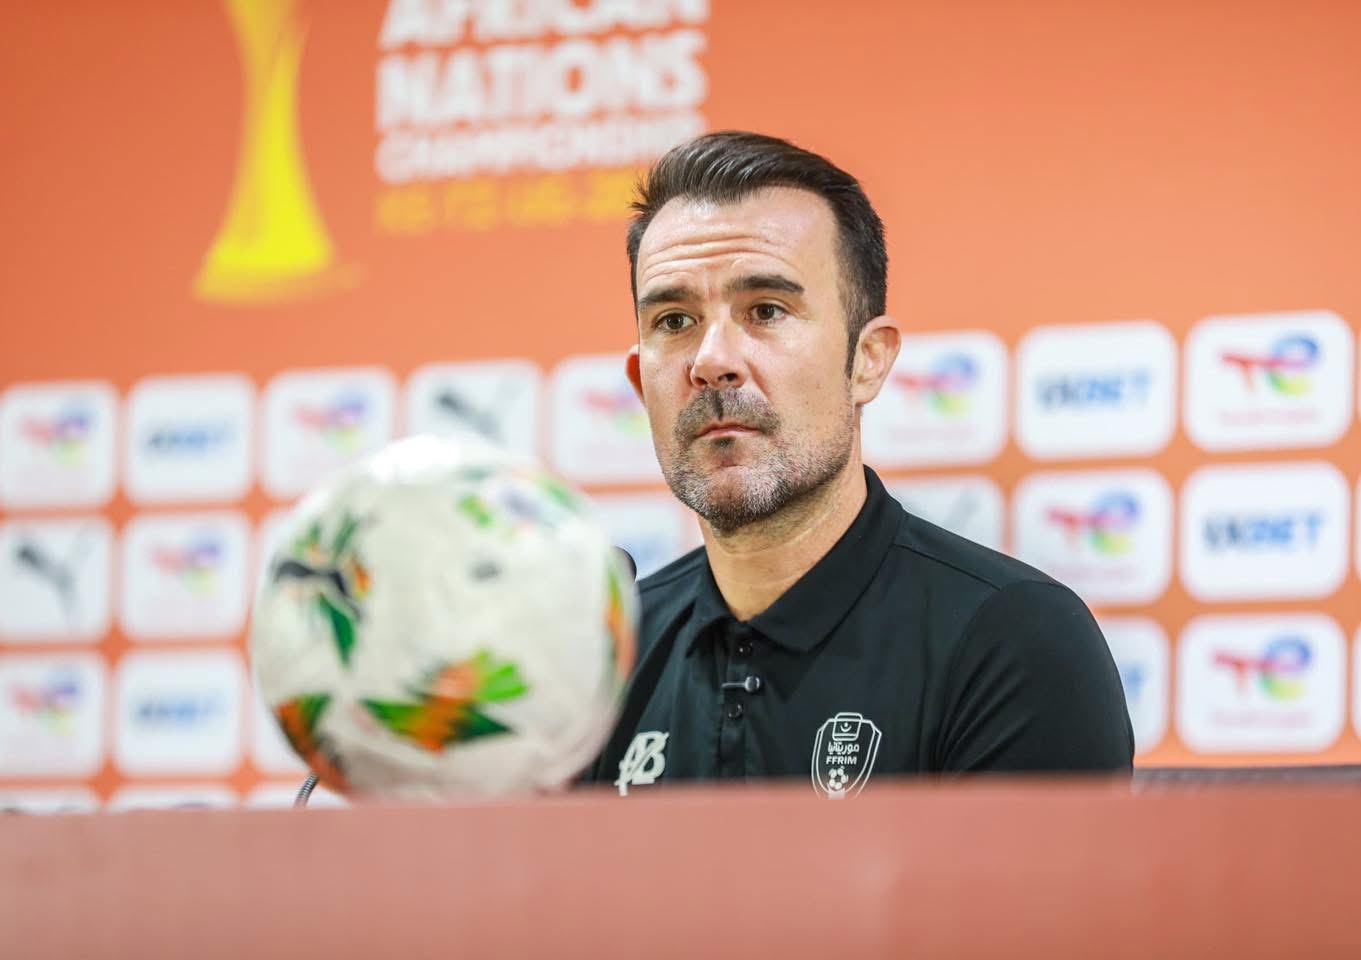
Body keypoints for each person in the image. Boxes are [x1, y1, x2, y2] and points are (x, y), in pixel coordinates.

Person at [588, 131, 1132, 797]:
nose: (711, 361)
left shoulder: (1011, 640)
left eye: (766, 310)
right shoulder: (606, 655)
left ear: (867, 362)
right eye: (674, 321)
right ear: (640, 383)